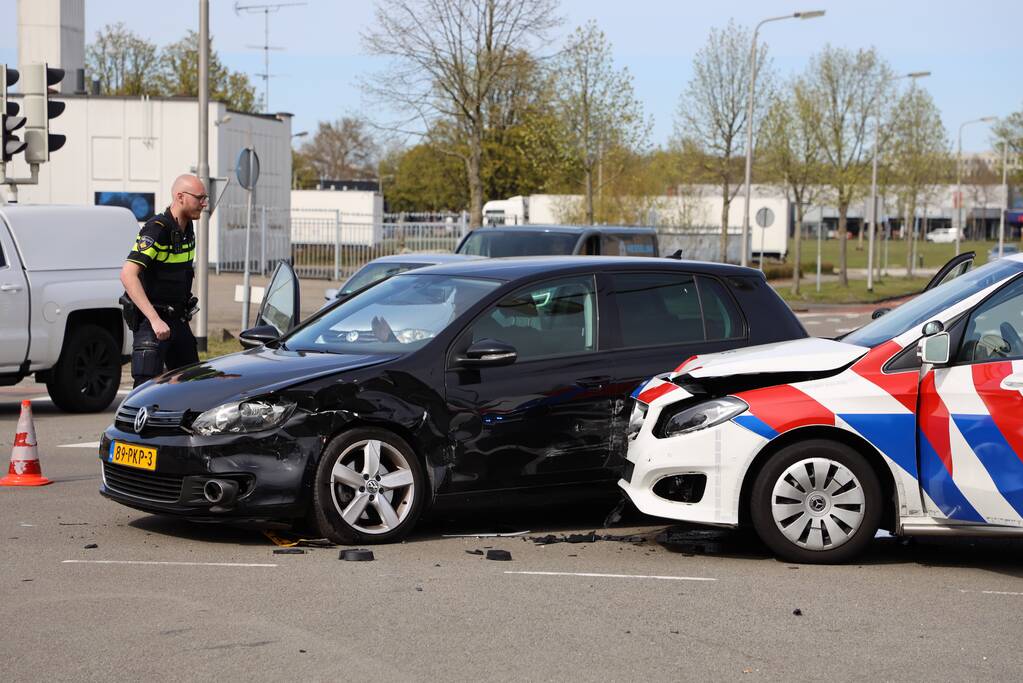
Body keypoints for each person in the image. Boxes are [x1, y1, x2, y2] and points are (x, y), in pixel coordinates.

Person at [121, 174, 204, 387]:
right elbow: (128, 275)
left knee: (193, 385)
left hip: (177, 320)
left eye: (205, 198)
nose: (204, 203)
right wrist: (155, 319)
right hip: (153, 323)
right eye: (199, 197)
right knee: (145, 391)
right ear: (180, 197)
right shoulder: (157, 229)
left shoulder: (187, 229)